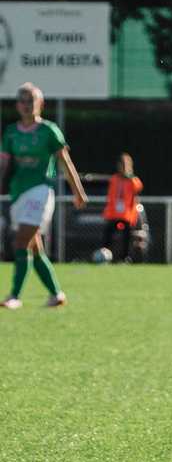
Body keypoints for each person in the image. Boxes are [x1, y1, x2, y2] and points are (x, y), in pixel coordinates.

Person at [2, 84, 88, 311]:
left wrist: (78, 191)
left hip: (40, 192)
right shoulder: (11, 132)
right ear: (17, 105)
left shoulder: (49, 130)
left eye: (31, 100)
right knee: (33, 247)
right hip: (18, 192)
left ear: (40, 104)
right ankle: (56, 294)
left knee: (20, 241)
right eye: (22, 100)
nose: (26, 104)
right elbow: (4, 163)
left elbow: (65, 161)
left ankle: (14, 296)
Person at [101, 153, 144, 262]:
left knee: (127, 237)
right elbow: (111, 196)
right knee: (107, 236)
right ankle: (105, 256)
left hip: (126, 216)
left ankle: (124, 258)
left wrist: (130, 176)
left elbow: (138, 187)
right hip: (114, 215)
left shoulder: (132, 180)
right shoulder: (115, 179)